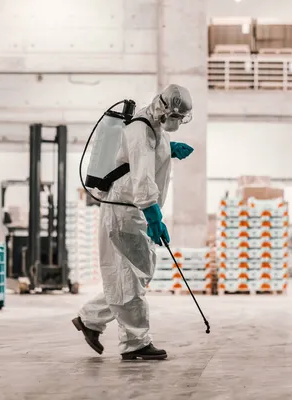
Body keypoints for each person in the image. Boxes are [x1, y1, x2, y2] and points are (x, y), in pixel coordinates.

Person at [72, 84, 194, 360]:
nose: (177, 123)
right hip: (126, 210)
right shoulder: (142, 128)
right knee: (131, 277)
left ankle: (90, 319)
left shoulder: (152, 126)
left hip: (131, 209)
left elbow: (139, 155)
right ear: (165, 111)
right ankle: (135, 342)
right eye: (175, 117)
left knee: (136, 274)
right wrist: (153, 216)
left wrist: (168, 149)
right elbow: (141, 178)